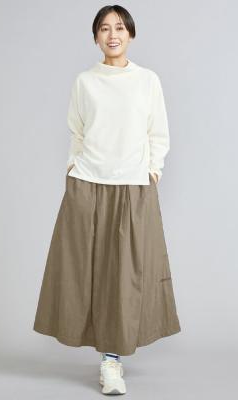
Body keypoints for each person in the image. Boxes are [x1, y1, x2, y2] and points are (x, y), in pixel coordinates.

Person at [33, 5, 181, 395]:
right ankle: (105, 357)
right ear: (95, 37)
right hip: (87, 183)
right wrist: (72, 167)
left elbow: (158, 133)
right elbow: (77, 131)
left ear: (131, 34)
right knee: (83, 271)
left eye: (119, 27)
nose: (112, 34)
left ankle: (111, 361)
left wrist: (152, 171)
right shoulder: (85, 82)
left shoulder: (147, 80)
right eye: (104, 28)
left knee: (125, 274)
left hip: (132, 186)